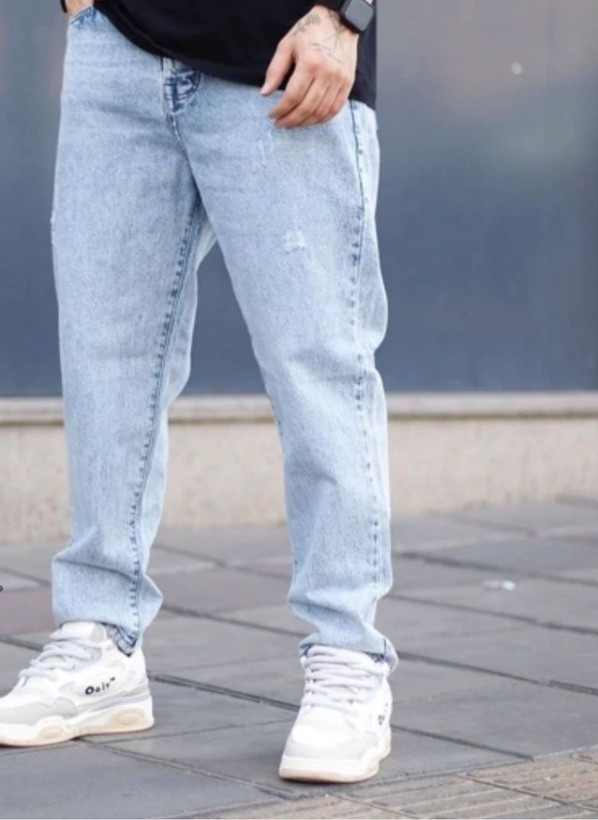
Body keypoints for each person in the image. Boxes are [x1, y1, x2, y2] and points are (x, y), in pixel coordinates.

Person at [0, 0, 398, 783]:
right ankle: (100, 638)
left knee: (317, 367)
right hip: (116, 50)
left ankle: (347, 657)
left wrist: (343, 14)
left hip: (284, 51)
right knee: (105, 359)